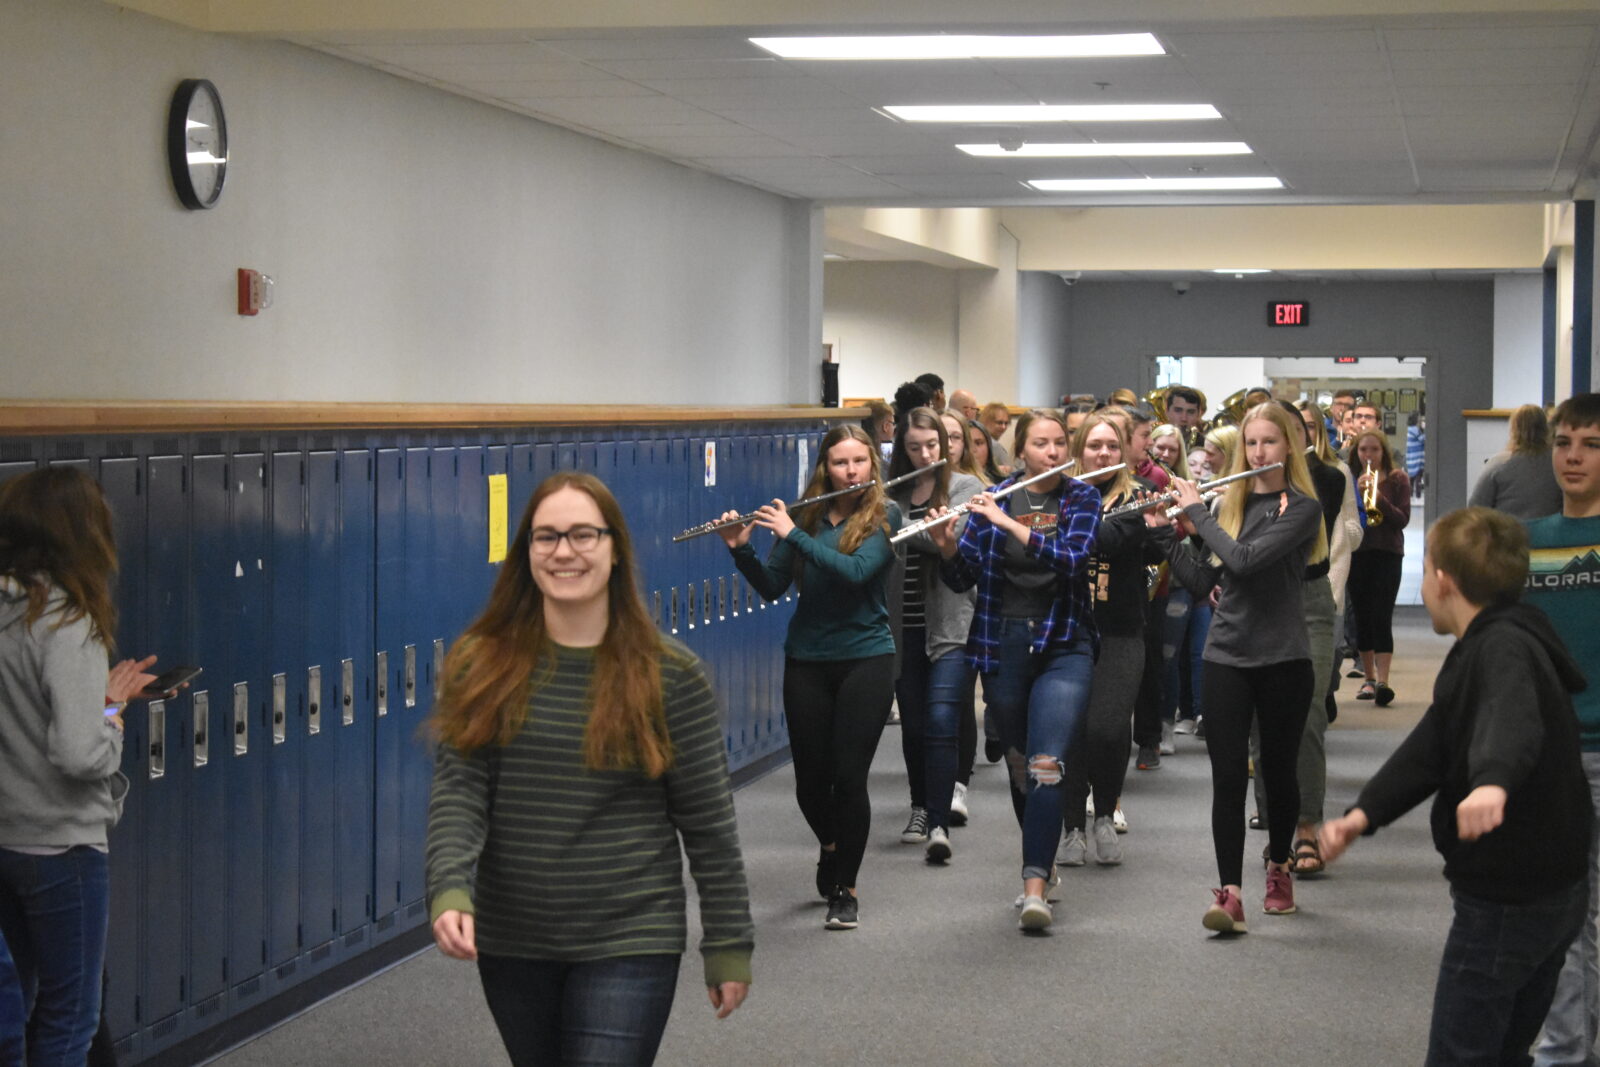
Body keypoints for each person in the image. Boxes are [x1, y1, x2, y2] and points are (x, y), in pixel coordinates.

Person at [425, 472, 753, 1063]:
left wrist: (728, 941)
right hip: (516, 936)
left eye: (583, 534)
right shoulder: (483, 663)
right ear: (527, 552)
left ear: (615, 548)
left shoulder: (670, 674)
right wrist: (449, 885)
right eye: (546, 536)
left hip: (631, 932)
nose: (564, 552)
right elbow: (460, 790)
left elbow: (709, 825)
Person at [1321, 507, 1590, 1067]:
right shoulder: (1504, 637)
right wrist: (1363, 815)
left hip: (1508, 897)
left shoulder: (1502, 649)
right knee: (1503, 1048)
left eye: (1425, 571)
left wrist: (1492, 782)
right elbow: (1432, 746)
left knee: (1461, 1053)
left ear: (1442, 581)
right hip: (1551, 891)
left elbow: (1512, 718)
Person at [0, 467, 160, 1066]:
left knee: (21, 1008)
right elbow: (78, 752)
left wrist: (102, 697)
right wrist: (112, 711)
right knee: (71, 1021)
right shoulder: (67, 622)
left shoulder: (7, 610)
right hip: (62, 850)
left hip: (7, 839)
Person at [926, 408, 1102, 931]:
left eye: (1059, 443)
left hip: (1064, 642)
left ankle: (1033, 888)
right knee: (1022, 765)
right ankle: (1042, 855)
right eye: (1041, 444)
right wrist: (947, 546)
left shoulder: (1081, 498)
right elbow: (964, 577)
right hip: (1002, 642)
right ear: (1021, 449)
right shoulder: (997, 496)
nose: (1052, 452)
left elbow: (1072, 559)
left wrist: (1009, 525)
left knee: (1048, 762)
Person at [719, 424, 897, 931]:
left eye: (859, 462)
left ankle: (847, 889)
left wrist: (792, 533)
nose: (851, 471)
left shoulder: (885, 515)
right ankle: (831, 845)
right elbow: (773, 586)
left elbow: (855, 572)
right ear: (826, 468)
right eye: (840, 463)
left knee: (849, 778)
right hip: (807, 659)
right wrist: (740, 549)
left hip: (866, 658)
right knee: (809, 785)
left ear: (872, 464)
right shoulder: (806, 515)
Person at [1166, 402, 1326, 931]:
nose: (1258, 453)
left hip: (1283, 658)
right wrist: (1165, 534)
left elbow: (1244, 561)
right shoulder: (1228, 504)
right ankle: (1230, 893)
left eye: (1269, 442)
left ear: (1288, 448)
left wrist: (1198, 514)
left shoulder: (1302, 508)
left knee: (1278, 774)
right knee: (1228, 777)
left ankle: (1279, 867)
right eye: (1251, 443)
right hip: (1226, 656)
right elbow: (1202, 580)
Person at [1251, 401, 1359, 875]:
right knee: (1262, 716)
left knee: (1309, 711)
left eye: (1293, 431)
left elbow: (1296, 532)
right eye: (1260, 438)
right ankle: (1275, 825)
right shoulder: (1243, 483)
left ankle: (1308, 825)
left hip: (1309, 598)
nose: (1276, 444)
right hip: (1256, 600)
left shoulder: (1328, 478)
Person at [1058, 413, 1168, 868]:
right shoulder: (1059, 493)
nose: (1103, 454)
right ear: (1079, 450)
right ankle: (1071, 825)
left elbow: (1128, 542)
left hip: (1121, 628)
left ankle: (1104, 812)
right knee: (1071, 730)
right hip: (1067, 628)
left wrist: (1152, 525)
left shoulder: (1138, 495)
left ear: (1123, 451)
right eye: (1094, 446)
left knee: (1108, 726)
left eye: (1111, 446)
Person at [1531, 393, 1600, 1067]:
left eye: (1592, 445)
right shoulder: (1528, 540)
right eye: (1564, 442)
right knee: (1568, 916)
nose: (1573, 456)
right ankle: (1566, 1050)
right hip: (1555, 754)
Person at [886, 409, 982, 861]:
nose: (925, 455)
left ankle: (940, 822)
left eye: (932, 446)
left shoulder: (965, 486)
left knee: (943, 721)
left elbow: (949, 536)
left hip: (950, 625)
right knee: (914, 725)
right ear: (902, 450)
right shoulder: (893, 492)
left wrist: (888, 521)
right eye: (914, 447)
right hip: (902, 624)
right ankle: (920, 808)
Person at [1347, 428, 1411, 706]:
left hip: (1388, 553)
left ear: (1383, 451)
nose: (1368, 455)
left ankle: (1384, 681)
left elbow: (1402, 519)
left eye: (1374, 449)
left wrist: (1376, 496)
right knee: (1362, 617)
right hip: (1358, 553)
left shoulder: (1398, 479)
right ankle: (1369, 679)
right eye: (1363, 450)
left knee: (1382, 616)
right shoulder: (1350, 479)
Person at [1470, 403, 1562, 520]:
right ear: (1545, 428)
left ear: (1513, 429)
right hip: (1550, 529)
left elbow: (1476, 507)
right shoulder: (1558, 463)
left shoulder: (1498, 464)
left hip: (1509, 530)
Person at [941, 410, 985, 484]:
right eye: (942, 436)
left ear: (965, 443)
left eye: (956, 437)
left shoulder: (975, 484)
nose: (949, 444)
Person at [966, 419, 1006, 486]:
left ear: (988, 447)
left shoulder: (1003, 482)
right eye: (967, 444)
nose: (973, 449)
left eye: (978, 443)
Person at [980, 402, 1014, 471]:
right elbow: (1012, 472)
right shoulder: (994, 445)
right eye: (999, 423)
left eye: (1006, 423)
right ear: (986, 421)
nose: (1003, 427)